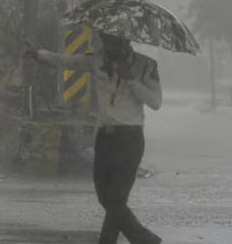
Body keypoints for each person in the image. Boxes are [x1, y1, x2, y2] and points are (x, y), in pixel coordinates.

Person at [22, 32, 162, 244]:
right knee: (106, 197)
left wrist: (130, 79)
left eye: (114, 41)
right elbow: (64, 60)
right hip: (106, 138)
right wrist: (37, 54)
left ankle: (133, 240)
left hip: (130, 139)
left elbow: (155, 102)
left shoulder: (146, 65)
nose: (108, 45)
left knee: (116, 199)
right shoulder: (97, 61)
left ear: (126, 41)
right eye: (105, 40)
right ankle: (143, 239)